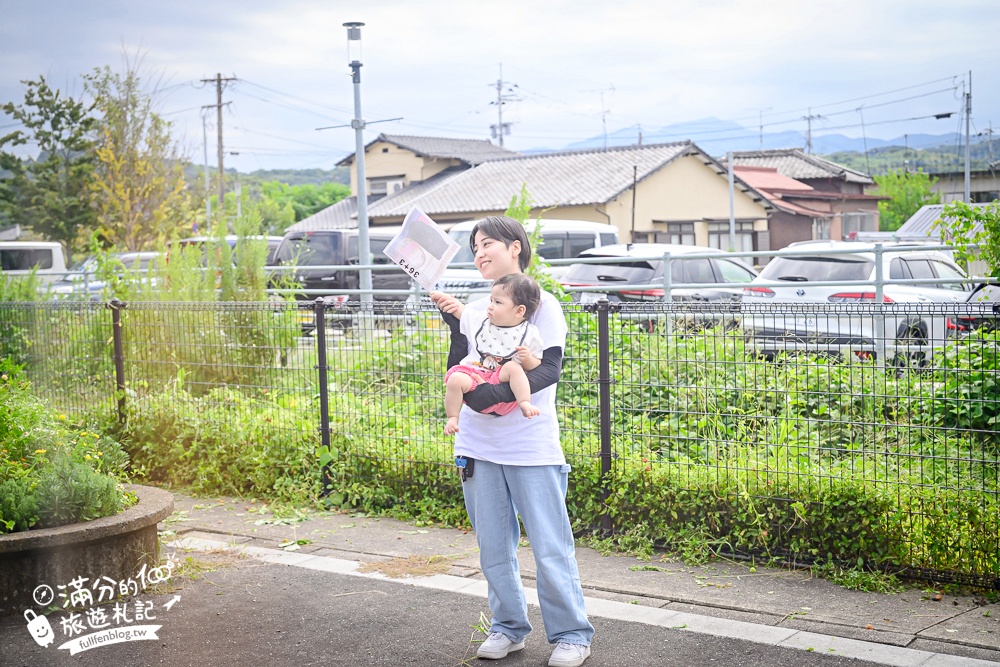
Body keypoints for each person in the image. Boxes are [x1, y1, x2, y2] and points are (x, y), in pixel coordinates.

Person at [430, 216, 594, 667]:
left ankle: (571, 635)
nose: (479, 253)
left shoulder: (544, 306)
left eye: (487, 245)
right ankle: (508, 628)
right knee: (493, 549)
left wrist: (490, 398)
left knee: (549, 546)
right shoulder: (477, 306)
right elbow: (459, 365)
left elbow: (548, 370)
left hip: (530, 448)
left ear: (515, 247)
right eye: (474, 247)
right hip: (478, 448)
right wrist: (452, 325)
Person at [444, 273, 544, 436]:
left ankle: (524, 402)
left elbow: (537, 365)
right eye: (491, 300)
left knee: (513, 366)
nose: (490, 306)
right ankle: (453, 418)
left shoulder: (529, 333)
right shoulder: (483, 321)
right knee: (455, 379)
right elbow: (462, 312)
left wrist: (527, 359)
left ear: (519, 311)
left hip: (502, 380)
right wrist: (446, 300)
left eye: (497, 302)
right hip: (476, 375)